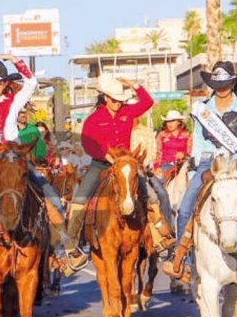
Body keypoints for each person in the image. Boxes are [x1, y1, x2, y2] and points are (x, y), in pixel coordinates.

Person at [0, 53, 87, 280]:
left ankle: (65, 247)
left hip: (18, 157)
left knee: (52, 197)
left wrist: (14, 59)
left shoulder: (12, 101)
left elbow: (31, 82)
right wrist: (4, 157)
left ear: (5, 83)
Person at [162, 61, 237, 280]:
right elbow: (199, 142)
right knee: (184, 210)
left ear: (232, 83)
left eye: (226, 83)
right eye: (217, 84)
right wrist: (199, 167)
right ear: (212, 85)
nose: (221, 88)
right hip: (209, 163)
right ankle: (183, 259)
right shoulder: (202, 110)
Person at [68, 73, 174, 253]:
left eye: (120, 100)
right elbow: (87, 143)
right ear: (106, 98)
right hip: (101, 164)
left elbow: (147, 102)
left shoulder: (127, 111)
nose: (118, 103)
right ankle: (71, 245)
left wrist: (134, 85)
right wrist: (105, 156)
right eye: (115, 100)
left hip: (126, 164)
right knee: (80, 198)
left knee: (150, 194)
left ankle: (158, 237)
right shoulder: (93, 119)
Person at [154, 110, 192, 178]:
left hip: (183, 165)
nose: (169, 124)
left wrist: (184, 154)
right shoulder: (162, 135)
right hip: (166, 165)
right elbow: (158, 152)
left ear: (179, 122)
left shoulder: (187, 135)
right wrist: (157, 166)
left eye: (173, 121)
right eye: (168, 121)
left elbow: (191, 151)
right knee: (155, 180)